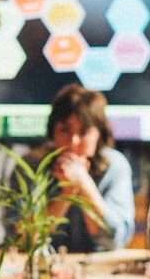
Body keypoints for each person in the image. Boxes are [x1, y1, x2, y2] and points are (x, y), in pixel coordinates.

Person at [22, 83, 135, 252]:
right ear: (52, 132)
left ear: (100, 134)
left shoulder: (115, 166)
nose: (73, 141)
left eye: (84, 132)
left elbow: (114, 240)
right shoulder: (31, 166)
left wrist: (83, 184)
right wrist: (66, 194)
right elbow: (24, 240)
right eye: (64, 130)